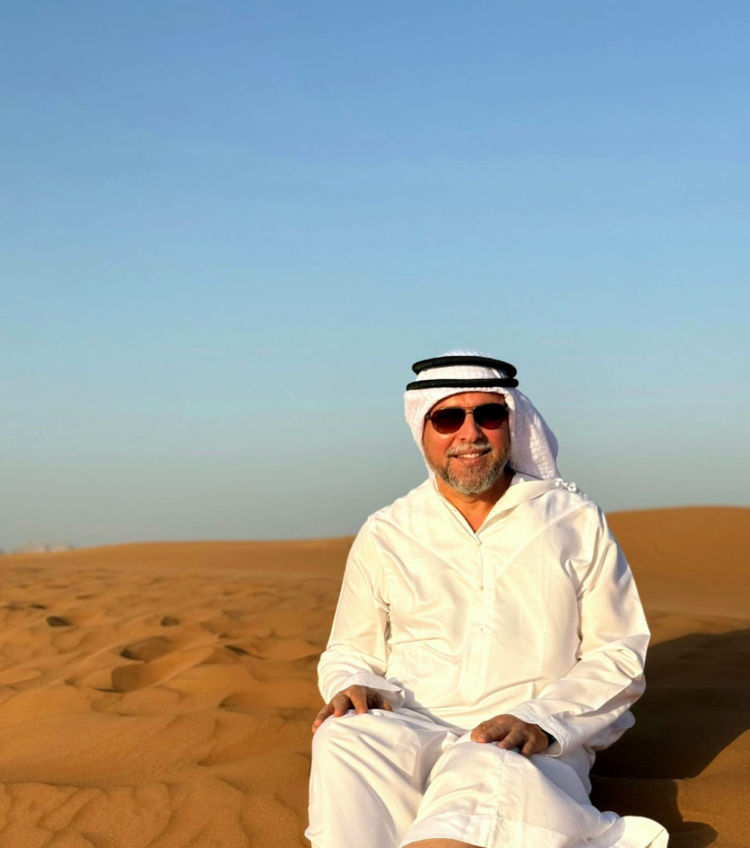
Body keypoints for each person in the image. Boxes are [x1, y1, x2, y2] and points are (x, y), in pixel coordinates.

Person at [305, 351, 668, 848]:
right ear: (422, 430)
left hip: (521, 740)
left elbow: (618, 653)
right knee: (343, 738)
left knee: (485, 765)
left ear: (511, 424)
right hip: (412, 731)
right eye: (448, 418)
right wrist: (354, 683)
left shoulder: (573, 520)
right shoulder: (387, 531)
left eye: (489, 415)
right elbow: (350, 650)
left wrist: (542, 721)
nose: (470, 433)